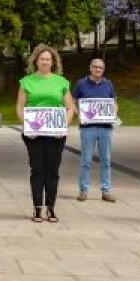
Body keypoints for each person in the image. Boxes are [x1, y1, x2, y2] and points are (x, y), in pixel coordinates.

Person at [16, 44, 75, 223]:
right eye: (42, 59)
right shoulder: (26, 81)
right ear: (36, 61)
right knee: (37, 170)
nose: (45, 62)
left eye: (48, 59)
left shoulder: (61, 82)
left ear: (53, 62)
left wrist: (62, 126)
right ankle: (37, 209)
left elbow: (70, 108)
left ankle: (51, 208)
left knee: (53, 170)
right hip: (34, 134)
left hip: (56, 134)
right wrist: (26, 126)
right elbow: (20, 106)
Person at [73, 58, 117, 203]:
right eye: (96, 67)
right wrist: (79, 113)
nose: (98, 70)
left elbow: (114, 103)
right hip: (88, 128)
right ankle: (83, 191)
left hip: (105, 128)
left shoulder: (109, 84)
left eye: (101, 68)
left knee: (106, 160)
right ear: (90, 68)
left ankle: (106, 191)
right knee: (86, 160)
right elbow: (72, 102)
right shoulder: (81, 84)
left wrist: (114, 111)